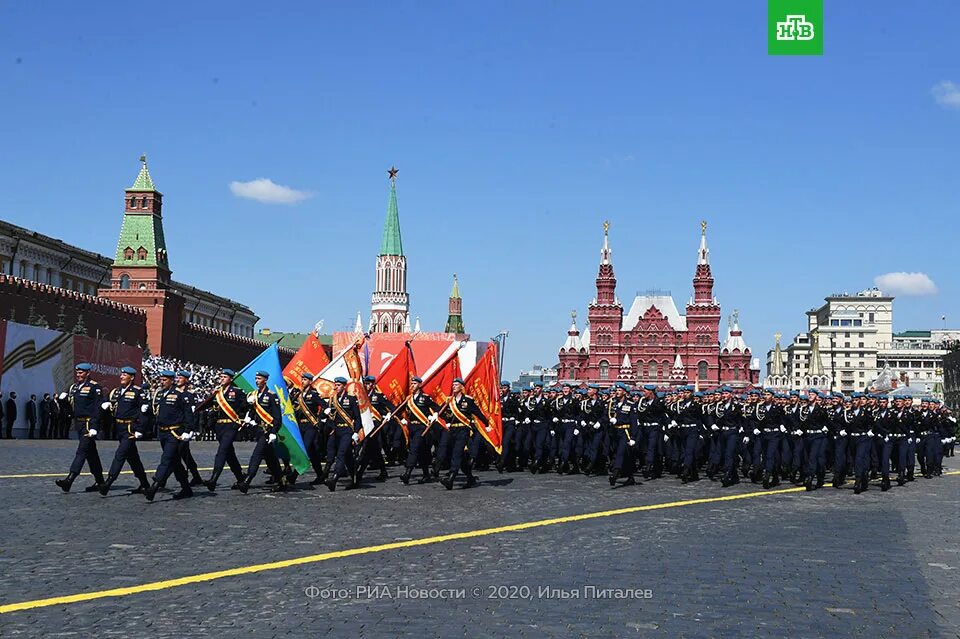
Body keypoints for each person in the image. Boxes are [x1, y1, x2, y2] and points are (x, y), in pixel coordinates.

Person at [98, 366, 151, 495]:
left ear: (131, 377)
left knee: (120, 454)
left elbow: (144, 413)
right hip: (119, 428)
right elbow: (109, 404)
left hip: (130, 428)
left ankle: (108, 482)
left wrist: (140, 429)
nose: (121, 377)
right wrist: (106, 405)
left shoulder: (138, 392)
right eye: (121, 375)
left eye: (125, 375)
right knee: (133, 457)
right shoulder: (116, 391)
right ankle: (144, 484)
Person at [143, 370, 196, 501]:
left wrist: (188, 430)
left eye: (165, 380)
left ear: (172, 380)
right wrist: (147, 409)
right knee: (175, 462)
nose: (162, 382)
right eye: (161, 380)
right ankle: (186, 488)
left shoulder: (180, 395)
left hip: (175, 432)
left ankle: (154, 487)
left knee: (166, 458)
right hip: (163, 432)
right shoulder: (160, 394)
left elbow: (188, 414)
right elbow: (159, 411)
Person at [54, 364, 106, 492]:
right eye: (77, 373)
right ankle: (100, 482)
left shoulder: (94, 387)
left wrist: (94, 427)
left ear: (88, 373)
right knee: (91, 454)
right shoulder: (74, 387)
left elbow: (97, 408)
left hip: (89, 424)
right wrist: (62, 401)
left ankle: (69, 480)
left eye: (81, 373)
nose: (78, 375)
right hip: (79, 424)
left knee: (81, 451)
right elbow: (70, 407)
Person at [201, 369, 251, 491]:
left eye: (224, 377)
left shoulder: (237, 392)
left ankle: (213, 479)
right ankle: (240, 478)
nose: (222, 379)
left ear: (231, 379)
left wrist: (243, 419)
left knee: (222, 451)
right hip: (219, 427)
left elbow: (246, 406)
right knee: (229, 454)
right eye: (221, 376)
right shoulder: (218, 393)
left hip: (231, 426)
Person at [436, 377, 490, 490]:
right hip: (452, 430)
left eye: (456, 384)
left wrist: (487, 424)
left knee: (457, 453)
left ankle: (450, 478)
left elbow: (478, 412)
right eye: (453, 384)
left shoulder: (468, 401)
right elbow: (440, 413)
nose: (454, 386)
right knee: (460, 456)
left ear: (461, 387)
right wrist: (445, 419)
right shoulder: (449, 400)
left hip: (463, 430)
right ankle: (470, 478)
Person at [238, 371, 286, 494]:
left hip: (267, 431)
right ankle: (281, 481)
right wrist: (248, 404)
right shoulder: (254, 395)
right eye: (256, 378)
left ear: (265, 380)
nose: (257, 380)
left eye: (259, 378)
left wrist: (274, 432)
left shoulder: (271, 396)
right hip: (258, 430)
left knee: (257, 454)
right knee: (271, 459)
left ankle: (247, 481)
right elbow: (245, 409)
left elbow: (277, 417)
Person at [323, 376, 362, 491]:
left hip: (346, 431)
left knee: (341, 454)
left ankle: (334, 479)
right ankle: (355, 479)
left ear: (344, 386)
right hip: (336, 431)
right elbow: (331, 418)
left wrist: (356, 432)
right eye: (335, 385)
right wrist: (326, 416)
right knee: (348, 456)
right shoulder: (332, 400)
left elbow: (357, 417)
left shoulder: (351, 399)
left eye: (339, 385)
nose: (336, 387)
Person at [399, 376, 440, 485]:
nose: (412, 386)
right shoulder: (409, 399)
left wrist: (434, 415)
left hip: (422, 428)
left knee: (414, 449)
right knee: (422, 452)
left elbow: (437, 408)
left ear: (420, 385)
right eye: (411, 384)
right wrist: (402, 418)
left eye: (415, 384)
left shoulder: (425, 398)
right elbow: (399, 409)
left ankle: (407, 473)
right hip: (412, 427)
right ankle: (426, 474)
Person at [289, 372, 326, 485]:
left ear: (310, 381)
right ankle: (320, 475)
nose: (303, 381)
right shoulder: (298, 394)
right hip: (301, 426)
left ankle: (293, 476)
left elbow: (325, 405)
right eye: (302, 379)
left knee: (303, 449)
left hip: (311, 426)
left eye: (305, 380)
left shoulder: (313, 394)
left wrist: (321, 419)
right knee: (312, 452)